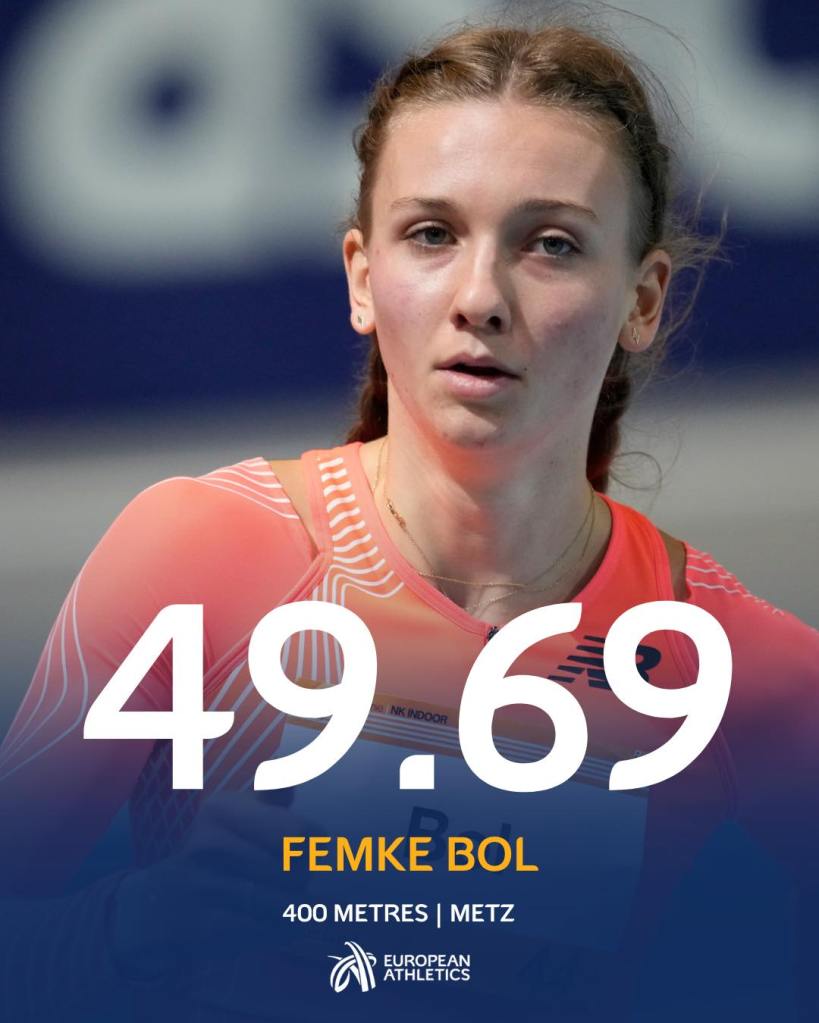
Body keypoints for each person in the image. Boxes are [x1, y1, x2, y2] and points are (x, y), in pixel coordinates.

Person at [1, 17, 818, 1023]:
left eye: (551, 244)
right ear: (360, 275)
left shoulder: (736, 670)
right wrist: (143, 922)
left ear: (642, 299)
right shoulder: (199, 559)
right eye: (432, 234)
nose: (480, 297)